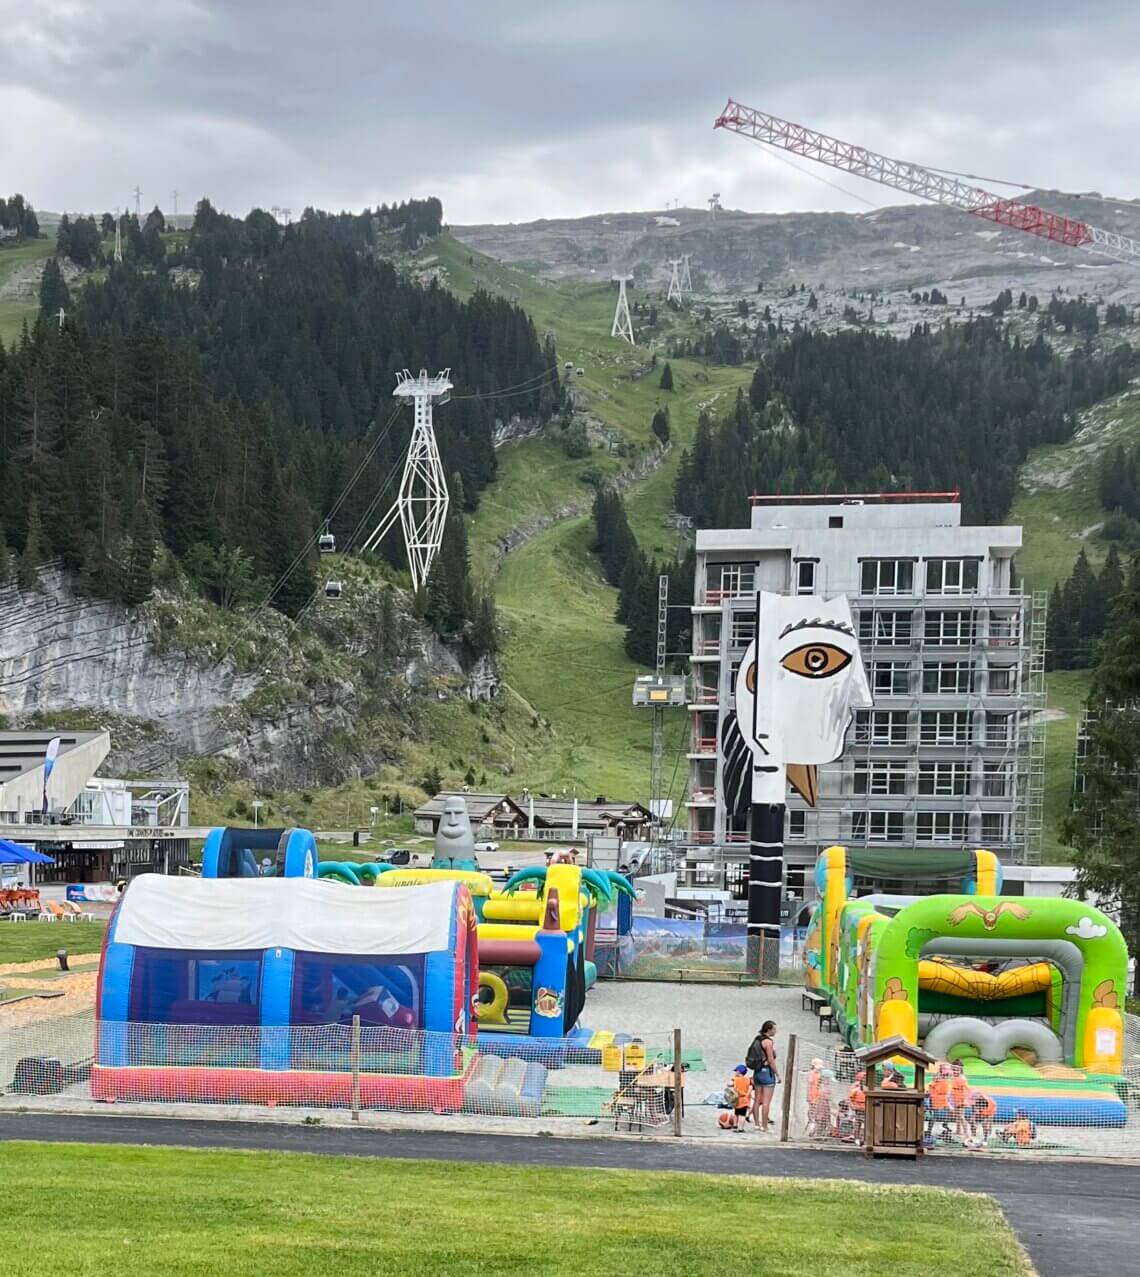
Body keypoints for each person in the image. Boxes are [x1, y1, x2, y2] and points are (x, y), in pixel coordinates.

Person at [745, 1020, 780, 1132]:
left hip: (757, 1072)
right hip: (766, 1073)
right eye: (774, 1029)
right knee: (766, 1102)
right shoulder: (768, 1042)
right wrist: (777, 1074)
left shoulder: (757, 1039)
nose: (775, 1031)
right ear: (769, 1030)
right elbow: (770, 1060)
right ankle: (764, 1125)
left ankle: (756, 1124)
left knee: (757, 1099)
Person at [949, 1061, 971, 1143]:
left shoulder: (962, 1078)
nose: (955, 1072)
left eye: (957, 1070)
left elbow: (965, 1090)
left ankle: (967, 1133)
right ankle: (958, 1130)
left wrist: (965, 1100)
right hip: (956, 1098)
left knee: (961, 1116)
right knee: (957, 1115)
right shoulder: (954, 1077)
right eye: (954, 1070)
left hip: (961, 1099)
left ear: (960, 1070)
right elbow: (953, 1088)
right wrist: (950, 1097)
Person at [730, 1064, 752, 1131]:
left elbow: (731, 1085)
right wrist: (748, 1094)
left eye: (736, 1071)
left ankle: (735, 1125)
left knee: (736, 1113)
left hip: (737, 1099)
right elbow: (751, 1087)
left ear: (739, 1072)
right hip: (744, 1099)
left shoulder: (736, 1079)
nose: (735, 1073)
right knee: (742, 1115)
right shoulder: (747, 1079)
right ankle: (741, 1128)